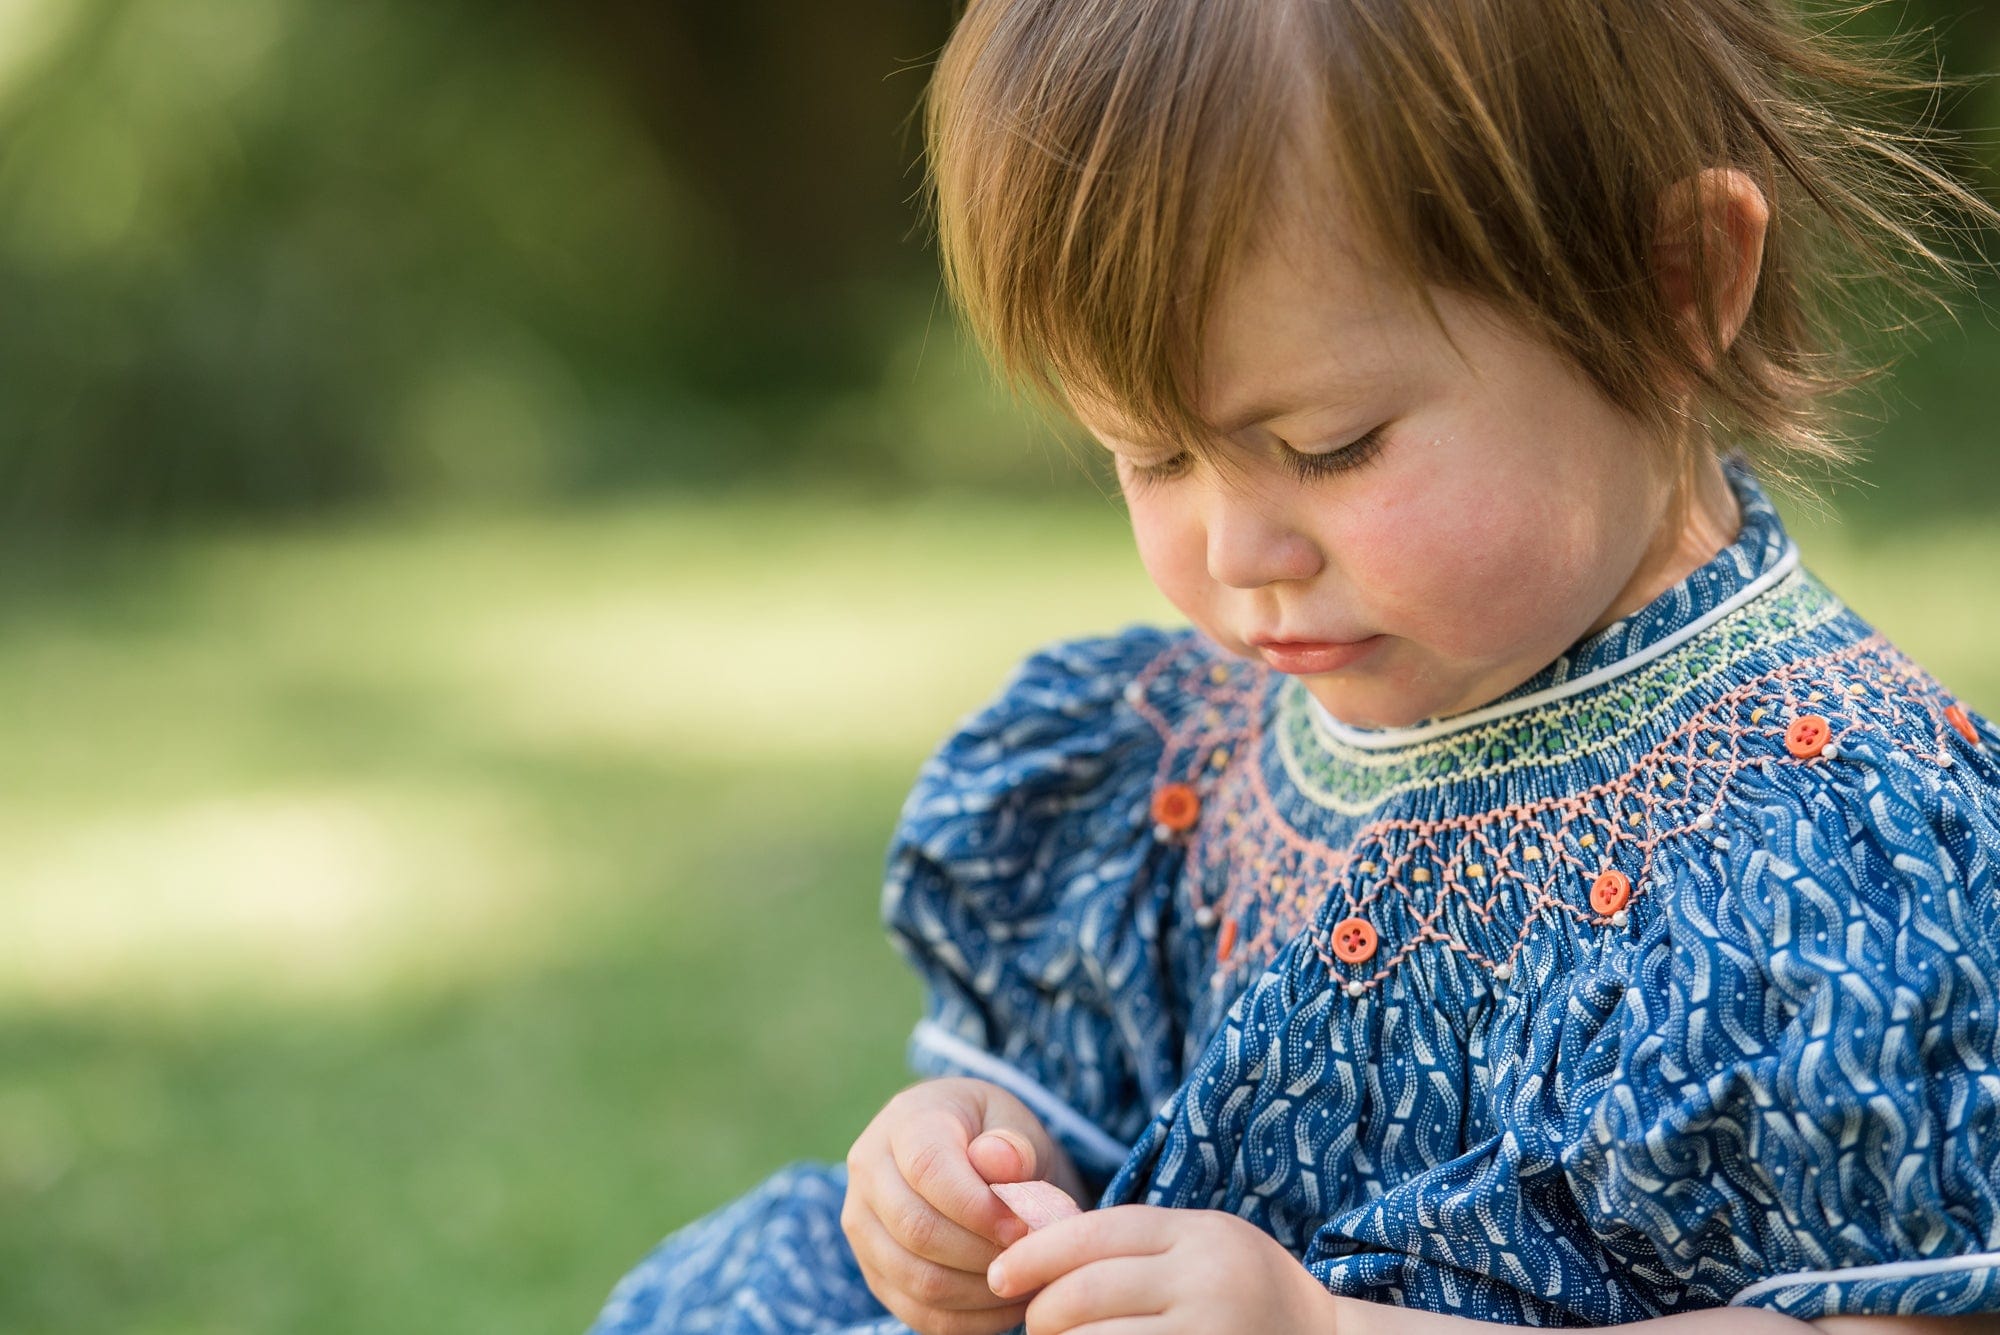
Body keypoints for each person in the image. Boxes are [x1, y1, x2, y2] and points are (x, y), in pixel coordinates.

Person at [588, 0, 2000, 1330]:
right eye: (1150, 455)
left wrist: (1327, 1325)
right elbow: (1079, 1132)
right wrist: (968, 1172)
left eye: (1330, 446)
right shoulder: (1187, 758)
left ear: (1673, 292)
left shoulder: (1835, 850)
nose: (1239, 549)